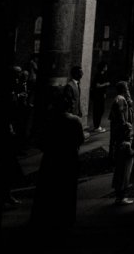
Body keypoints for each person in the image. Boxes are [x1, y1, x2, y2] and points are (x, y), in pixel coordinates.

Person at [30, 87, 85, 235]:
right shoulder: (75, 120)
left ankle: (46, 217)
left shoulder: (50, 120)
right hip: (69, 158)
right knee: (67, 188)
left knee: (49, 188)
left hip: (51, 158)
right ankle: (65, 218)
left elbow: (40, 141)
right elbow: (80, 139)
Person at [108, 80, 134, 164]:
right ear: (123, 89)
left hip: (117, 123)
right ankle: (115, 158)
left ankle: (113, 157)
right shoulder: (120, 99)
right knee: (117, 140)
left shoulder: (121, 97)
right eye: (126, 88)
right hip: (118, 124)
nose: (127, 90)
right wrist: (124, 124)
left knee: (115, 140)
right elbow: (120, 113)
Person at [112, 121, 134, 205]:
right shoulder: (126, 144)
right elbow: (131, 153)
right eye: (130, 131)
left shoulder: (119, 142)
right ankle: (122, 198)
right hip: (125, 167)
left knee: (119, 182)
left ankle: (118, 198)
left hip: (119, 166)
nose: (131, 133)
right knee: (124, 182)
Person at [90, 60, 110, 132]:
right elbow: (97, 86)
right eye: (106, 66)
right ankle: (96, 127)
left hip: (100, 95)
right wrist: (106, 84)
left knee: (100, 110)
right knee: (98, 111)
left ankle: (97, 125)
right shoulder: (98, 75)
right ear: (103, 67)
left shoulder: (102, 74)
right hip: (97, 96)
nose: (106, 67)